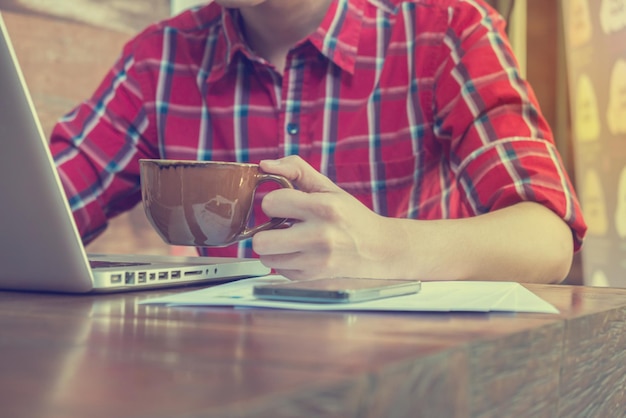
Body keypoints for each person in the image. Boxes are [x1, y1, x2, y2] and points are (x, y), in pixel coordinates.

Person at [50, 0, 587, 283]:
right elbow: (42, 210)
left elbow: (547, 238)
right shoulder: (159, 56)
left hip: (409, 383)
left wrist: (385, 246)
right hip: (223, 381)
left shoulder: (447, 29)